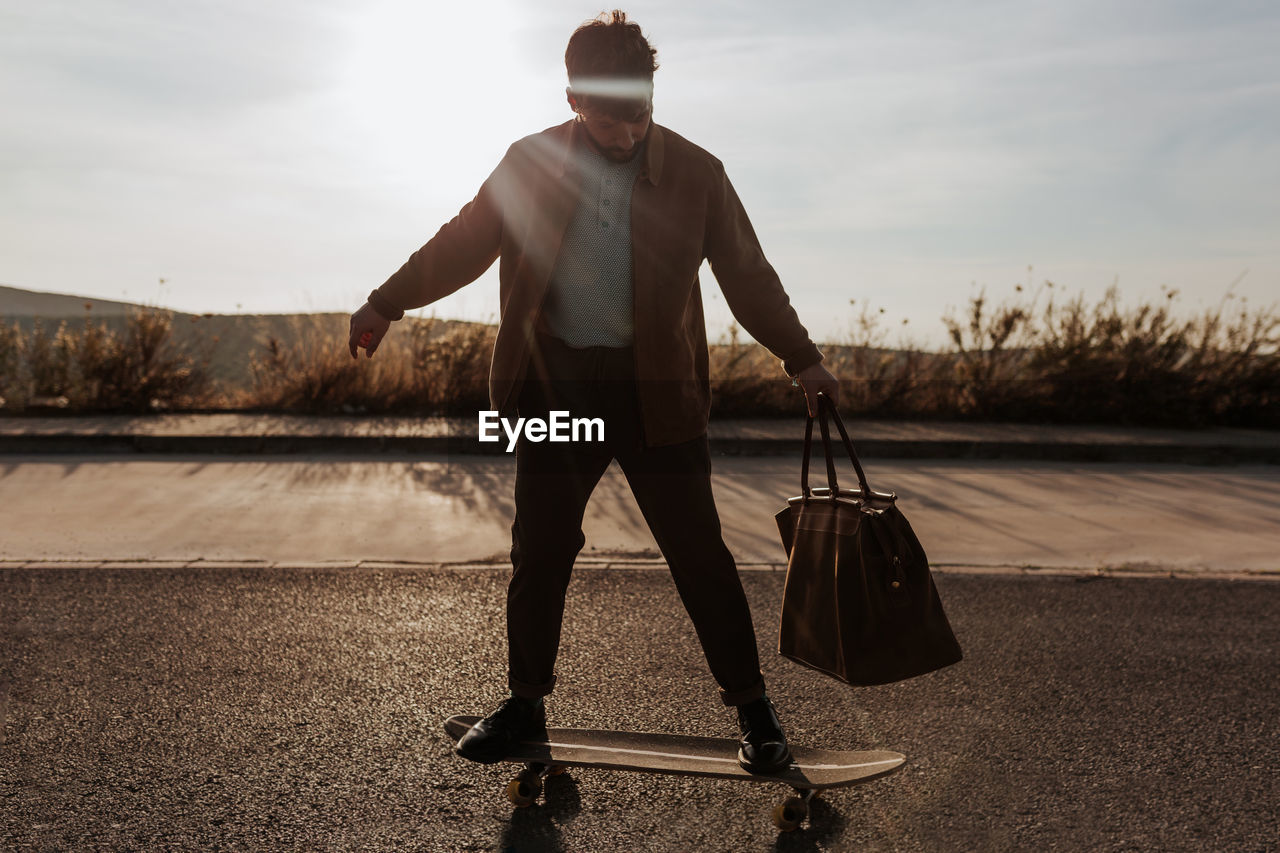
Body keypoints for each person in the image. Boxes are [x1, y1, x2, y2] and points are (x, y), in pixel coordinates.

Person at [347, 10, 839, 774]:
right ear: (575, 101)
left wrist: (802, 358)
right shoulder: (531, 162)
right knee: (539, 551)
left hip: (659, 397)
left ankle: (754, 709)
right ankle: (524, 704)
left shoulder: (697, 172)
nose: (629, 134)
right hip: (557, 392)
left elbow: (748, 273)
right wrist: (386, 300)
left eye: (640, 113)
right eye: (611, 121)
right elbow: (465, 242)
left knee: (699, 556)